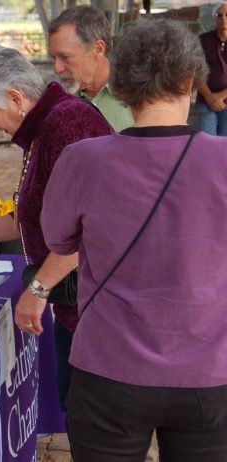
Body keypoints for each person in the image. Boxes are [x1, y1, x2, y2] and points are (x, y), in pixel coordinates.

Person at [39, 18, 227, 460]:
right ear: (189, 79)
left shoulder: (83, 160)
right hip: (209, 371)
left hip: (109, 371)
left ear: (122, 87)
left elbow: (58, 239)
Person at [0, 44, 111, 412]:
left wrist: (39, 288)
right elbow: (31, 217)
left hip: (99, 309)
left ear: (15, 98)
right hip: (78, 304)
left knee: (91, 419)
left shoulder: (67, 124)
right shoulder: (46, 126)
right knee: (76, 407)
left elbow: (92, 224)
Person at [48, 5, 133, 132]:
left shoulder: (138, 95)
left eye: (65, 57)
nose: (57, 68)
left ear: (98, 49)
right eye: (53, 58)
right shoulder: (55, 105)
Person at [196, 2, 227, 136]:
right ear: (215, 18)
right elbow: (195, 70)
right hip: (205, 101)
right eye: (219, 15)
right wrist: (209, 97)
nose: (223, 18)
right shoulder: (203, 40)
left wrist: (219, 97)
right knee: (206, 144)